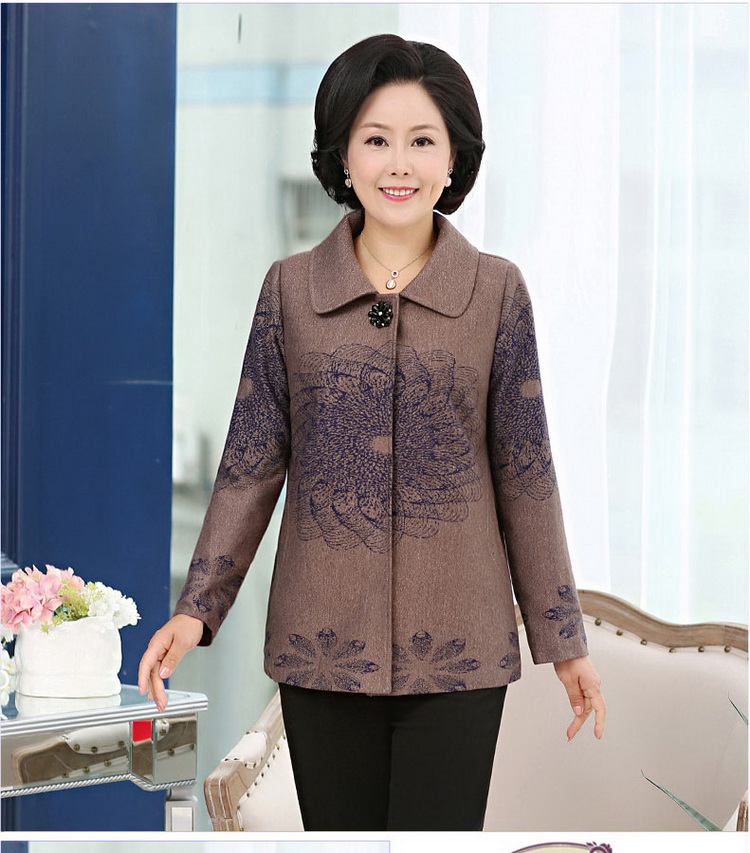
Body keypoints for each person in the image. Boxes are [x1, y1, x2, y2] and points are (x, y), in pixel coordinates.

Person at [139, 33, 606, 831]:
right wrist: (198, 607)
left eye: (422, 141)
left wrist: (563, 638)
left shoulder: (497, 293)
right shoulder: (290, 291)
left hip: (458, 651)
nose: (400, 164)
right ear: (343, 156)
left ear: (453, 158)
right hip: (322, 646)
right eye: (376, 139)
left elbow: (526, 474)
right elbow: (252, 462)